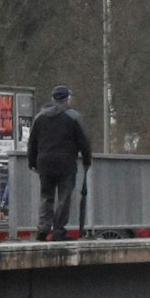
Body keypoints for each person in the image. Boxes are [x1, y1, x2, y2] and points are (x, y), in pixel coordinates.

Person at [27, 84, 93, 241]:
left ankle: (42, 230)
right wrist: (87, 160)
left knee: (46, 196)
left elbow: (32, 142)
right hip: (66, 163)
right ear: (67, 99)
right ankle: (58, 231)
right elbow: (84, 141)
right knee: (64, 197)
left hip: (44, 162)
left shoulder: (40, 117)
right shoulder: (74, 117)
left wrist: (32, 161)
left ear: (53, 99)